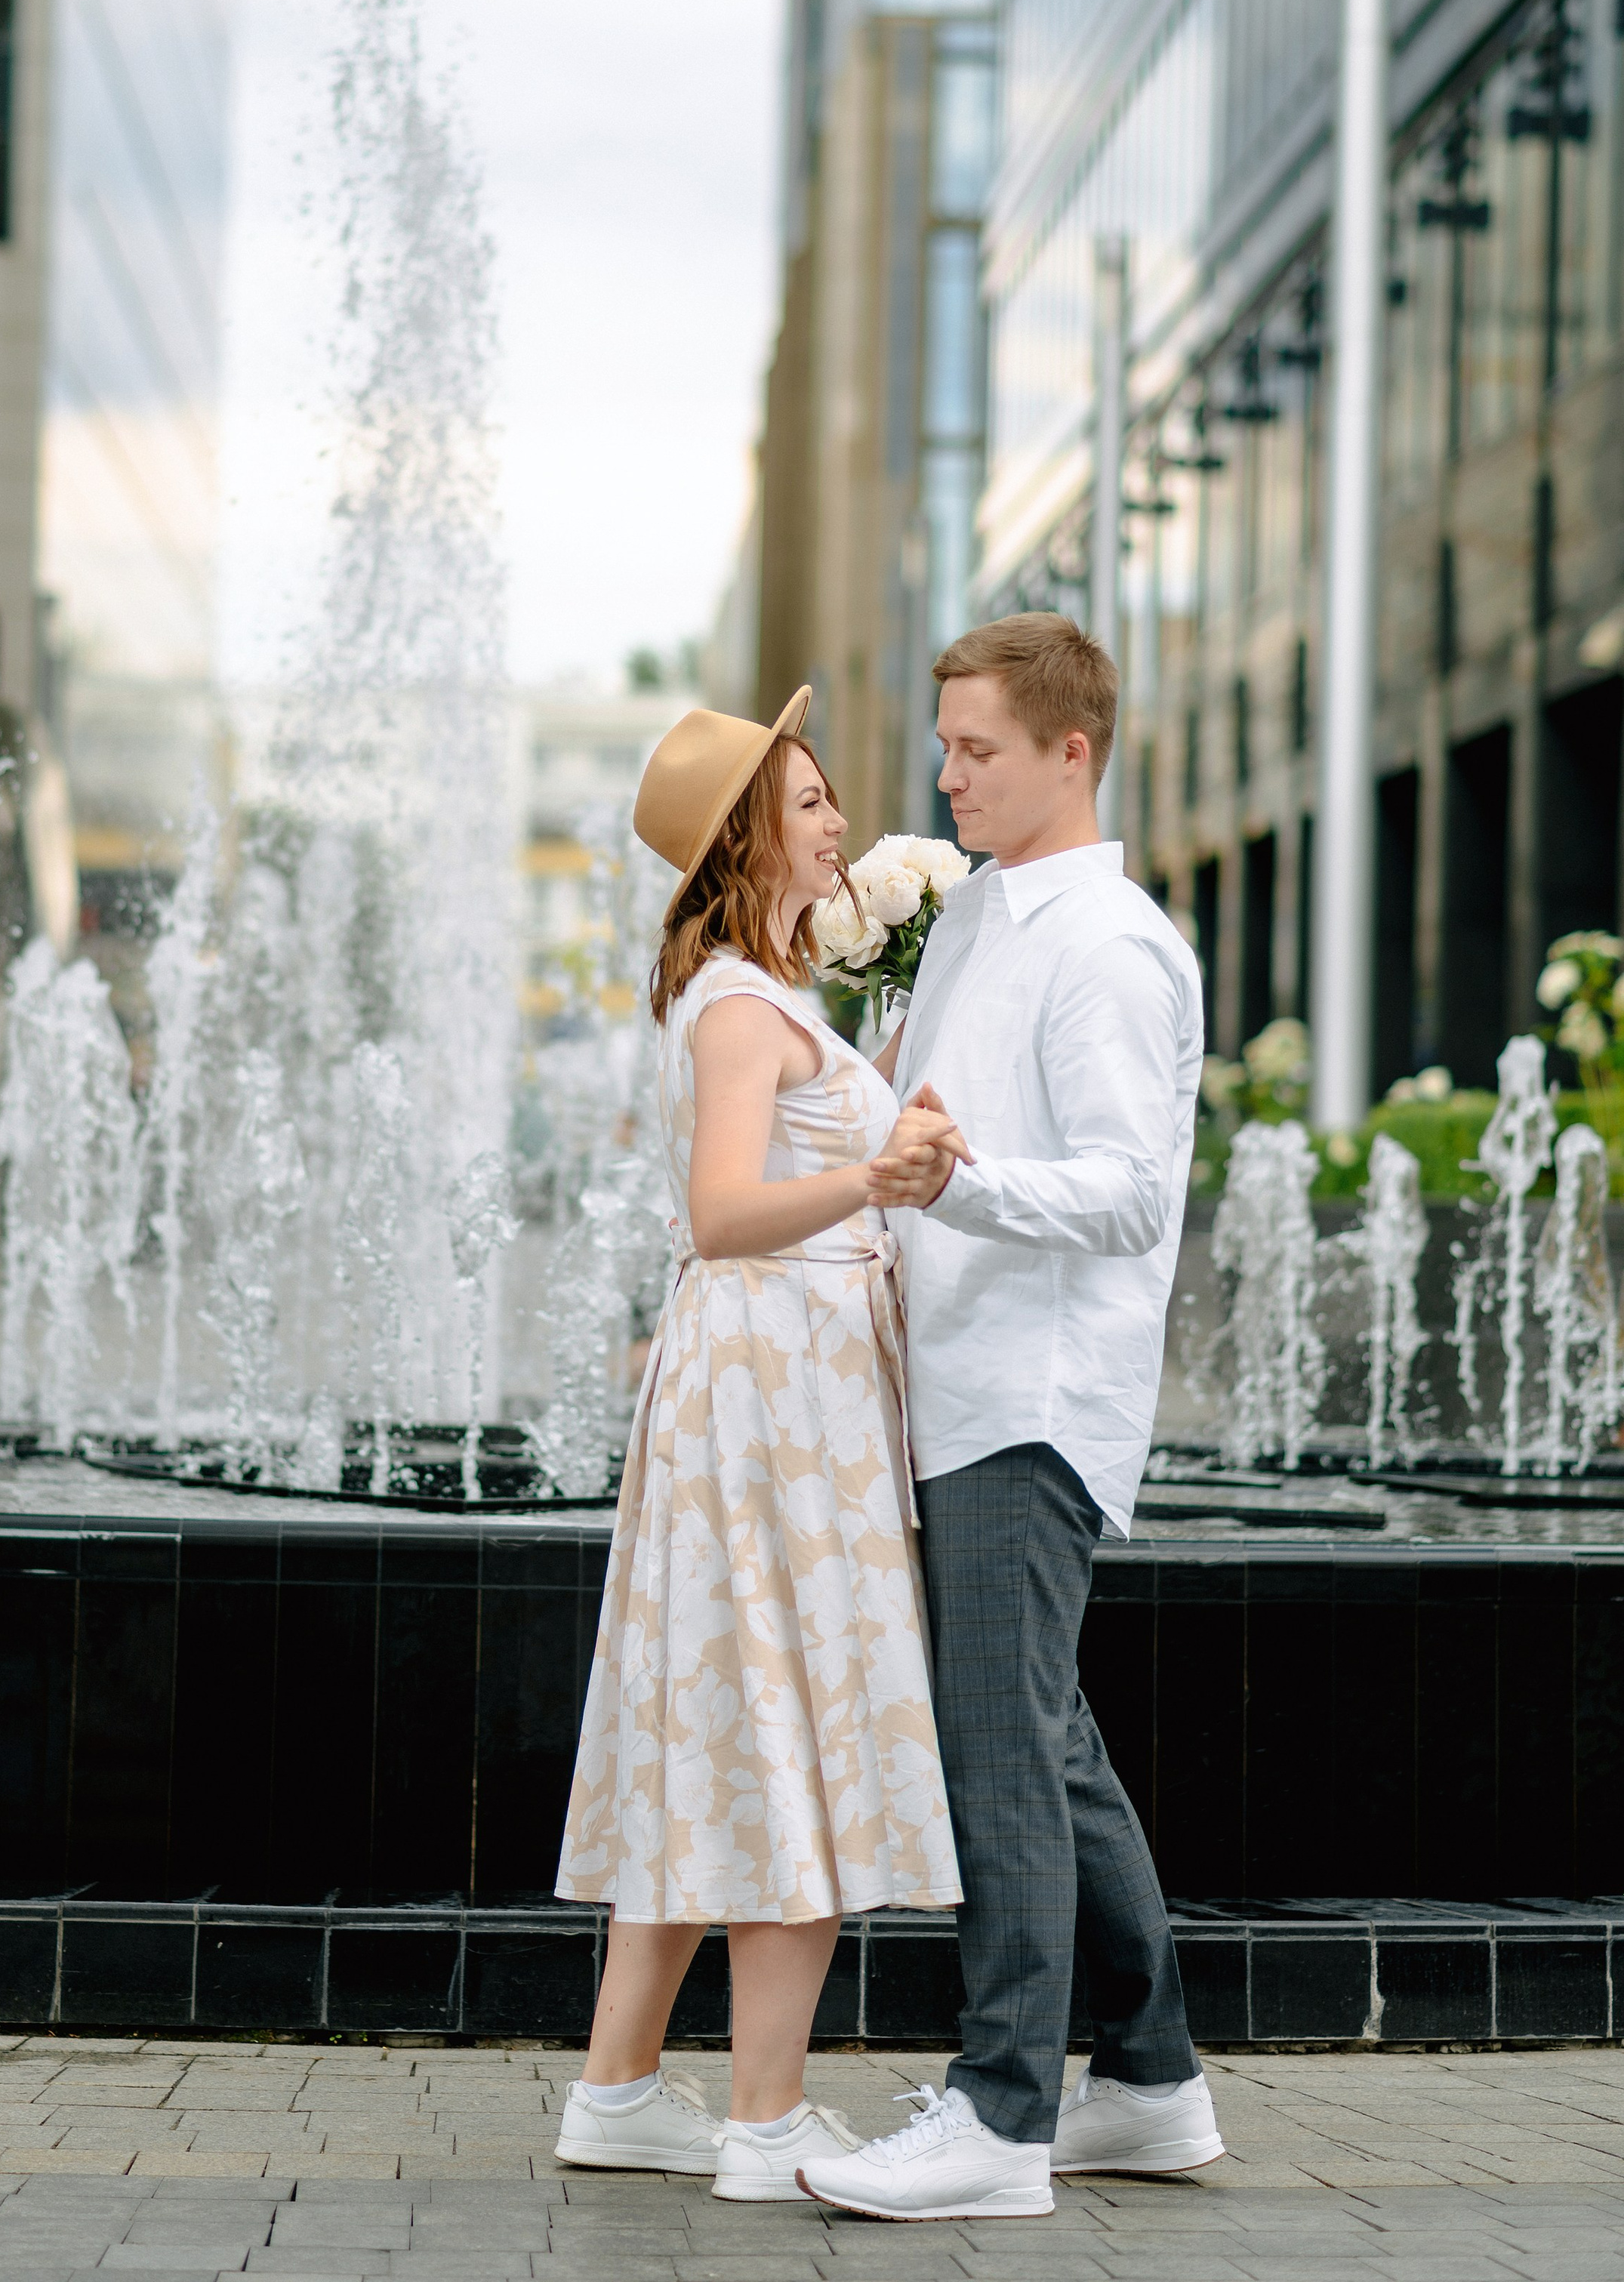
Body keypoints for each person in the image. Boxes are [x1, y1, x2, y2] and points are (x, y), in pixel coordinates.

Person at [799, 613, 1225, 2225]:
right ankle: (1152, 2083)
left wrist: (953, 1182)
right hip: (957, 1378)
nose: (945, 773)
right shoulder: (978, 917)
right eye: (943, 745)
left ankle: (996, 2113)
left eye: (977, 749)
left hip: (1029, 1399)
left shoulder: (1104, 943)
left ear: (1069, 751)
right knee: (1045, 1737)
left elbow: (1127, 1198)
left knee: (998, 1754)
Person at [553, 687, 966, 2204]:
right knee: (791, 1723)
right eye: (806, 804)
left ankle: (617, 2089)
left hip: (778, 1382)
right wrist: (878, 1170)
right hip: (775, 1393)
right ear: (747, 838)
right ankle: (766, 2116)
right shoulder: (740, 1004)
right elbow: (726, 1213)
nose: (838, 821)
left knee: (729, 1721)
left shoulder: (750, 990)